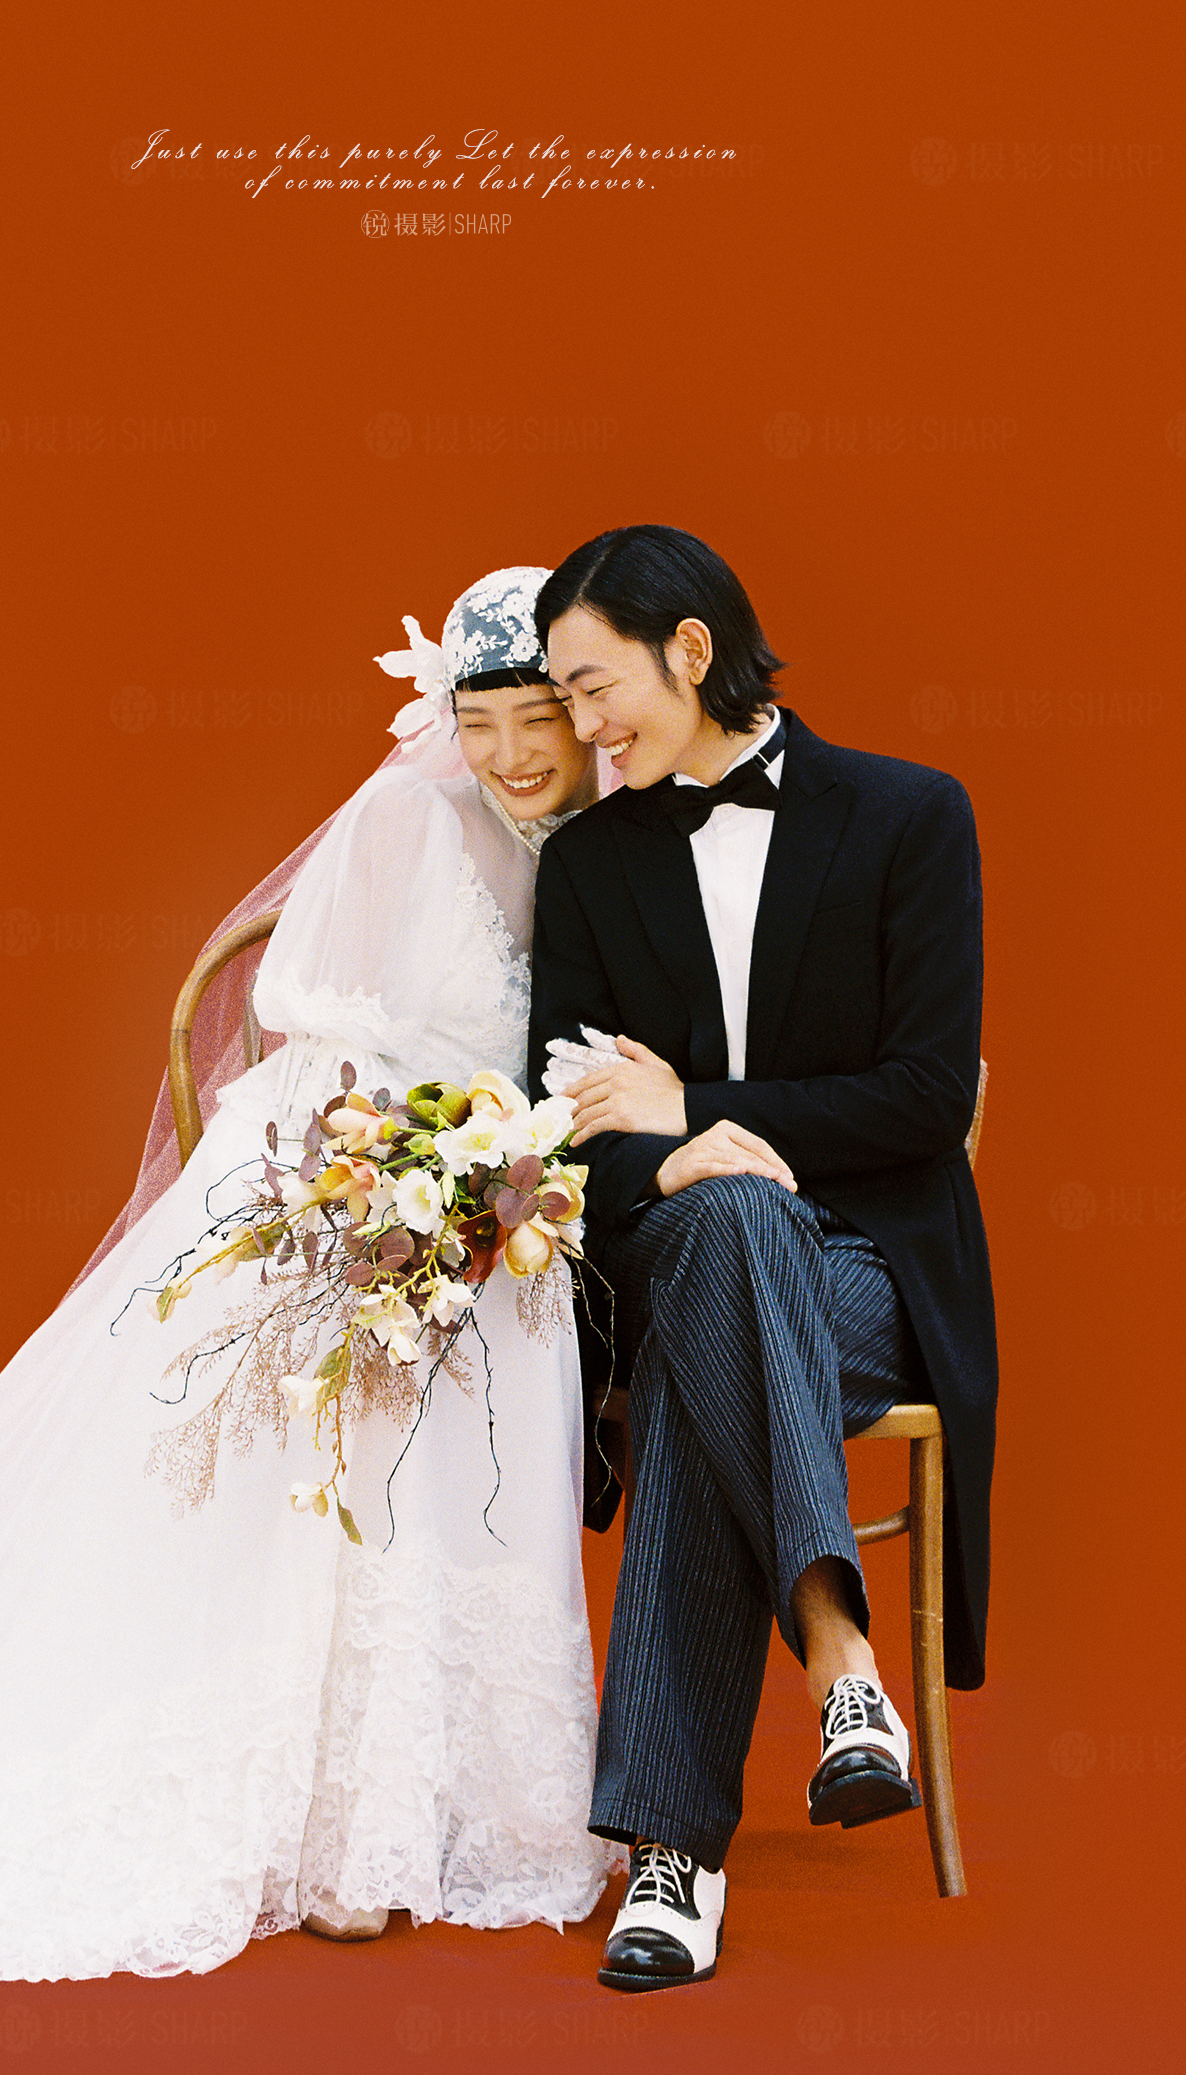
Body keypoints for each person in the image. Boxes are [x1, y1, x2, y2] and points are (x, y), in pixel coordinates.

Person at [0, 565, 615, 1985]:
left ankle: (463, 1800)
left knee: (517, 1307)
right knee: (373, 1362)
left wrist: (503, 1172)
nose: (508, 754)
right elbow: (321, 1033)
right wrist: (404, 1181)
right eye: (477, 723)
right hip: (348, 1160)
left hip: (500, 1191)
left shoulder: (610, 838)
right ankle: (337, 1826)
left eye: (537, 719)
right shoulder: (406, 822)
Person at [526, 524, 997, 1994]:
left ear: (689, 649)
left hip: (871, 1273)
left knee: (708, 1336)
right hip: (676, 1247)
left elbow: (927, 1096)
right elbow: (561, 1120)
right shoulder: (588, 864)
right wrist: (663, 1156)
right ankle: (839, 1664)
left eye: (594, 688)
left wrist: (691, 1110)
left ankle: (673, 1861)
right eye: (562, 698)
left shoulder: (910, 816)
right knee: (725, 1235)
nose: (583, 730)